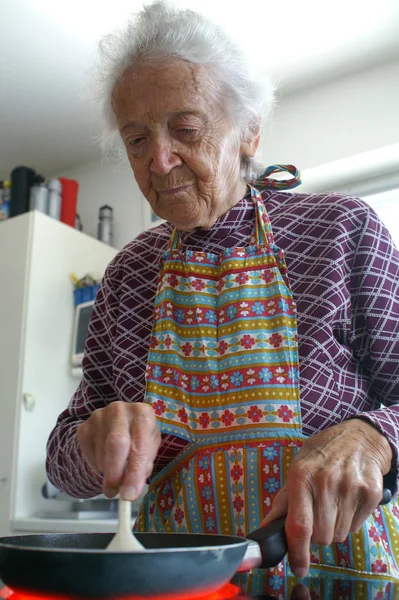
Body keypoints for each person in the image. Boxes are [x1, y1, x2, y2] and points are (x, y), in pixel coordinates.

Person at [46, 1, 399, 594]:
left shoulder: (341, 231)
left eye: (185, 129)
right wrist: (89, 440)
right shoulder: (128, 275)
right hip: (184, 589)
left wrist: (372, 436)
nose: (159, 160)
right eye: (136, 139)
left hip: (344, 579)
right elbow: (63, 459)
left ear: (250, 131)